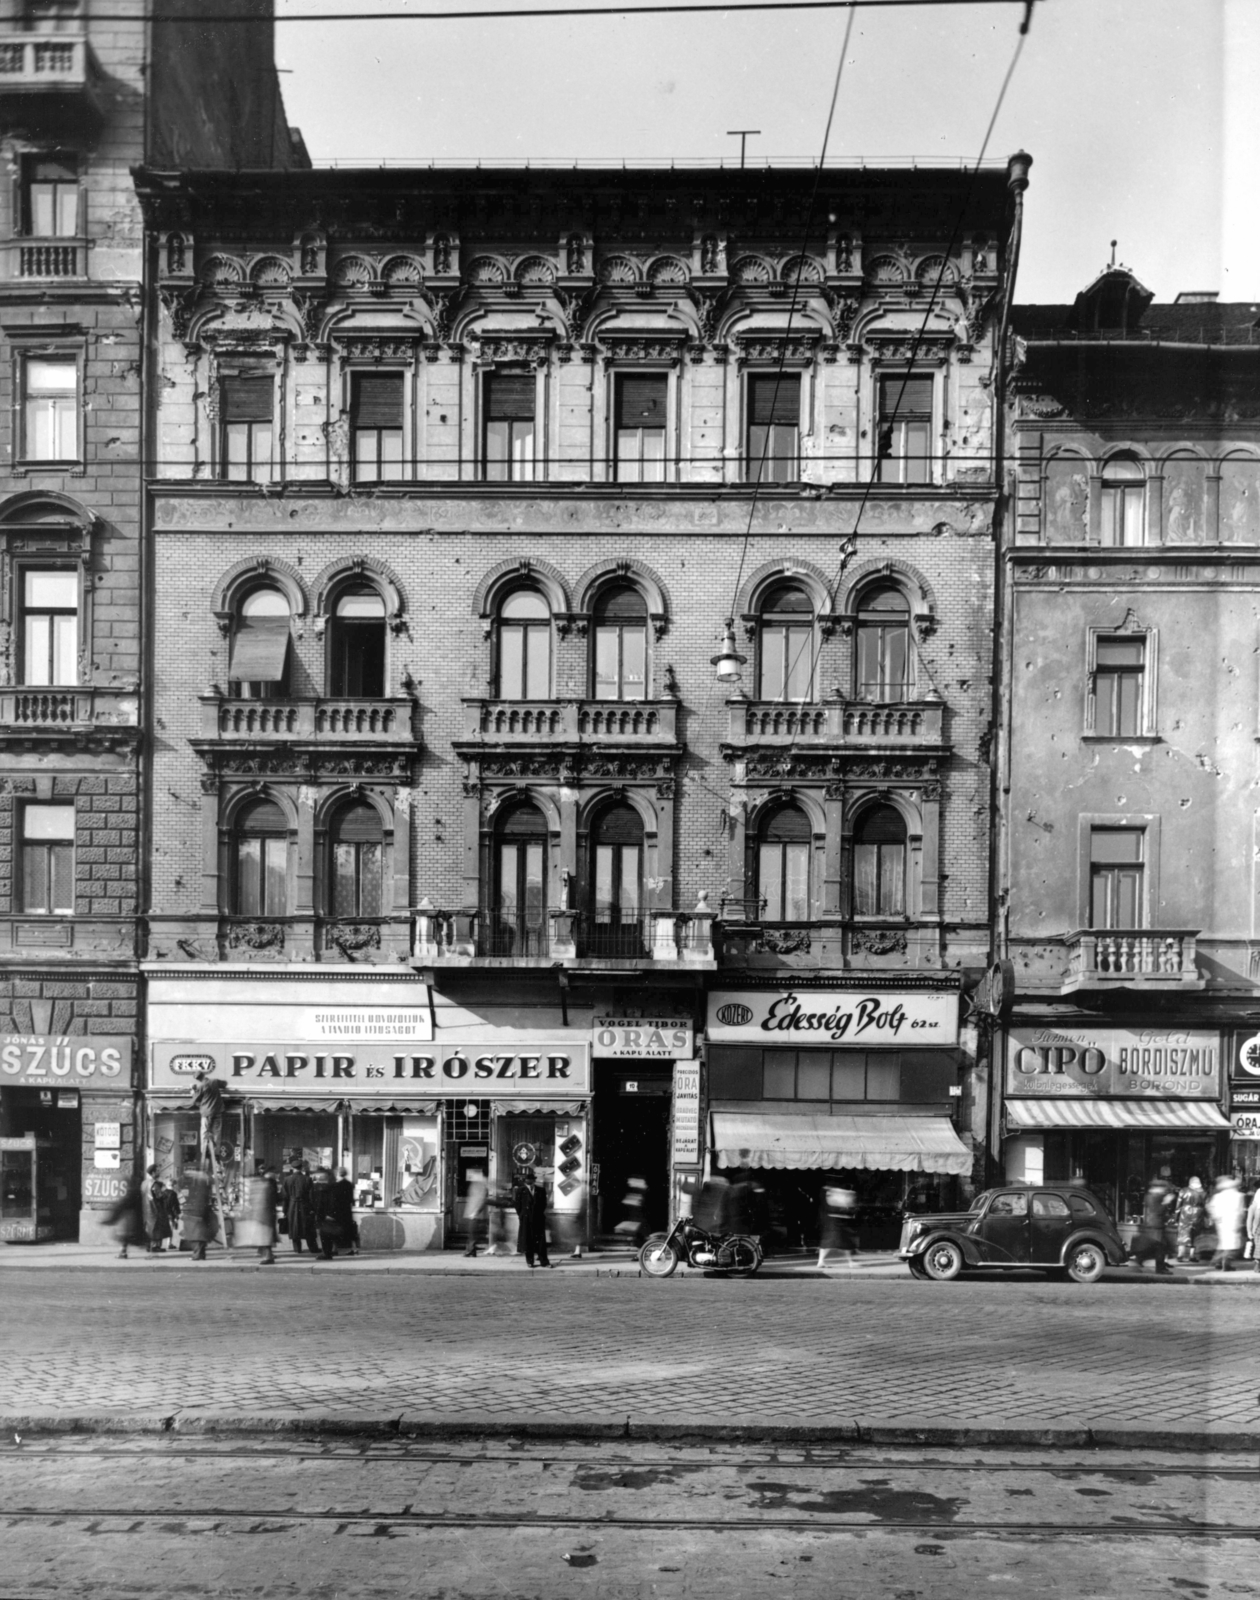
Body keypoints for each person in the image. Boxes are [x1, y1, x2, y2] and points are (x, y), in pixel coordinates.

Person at [1130, 1168, 1176, 1274]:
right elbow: (1158, 1211)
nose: (1165, 1190)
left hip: (1153, 1224)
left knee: (1154, 1246)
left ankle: (1140, 1260)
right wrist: (1166, 1202)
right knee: (1160, 1246)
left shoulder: (1151, 1195)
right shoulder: (1155, 1197)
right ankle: (1159, 1268)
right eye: (1163, 1188)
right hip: (1156, 1225)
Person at [236, 1162, 278, 1265]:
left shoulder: (265, 1184)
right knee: (264, 1237)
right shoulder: (268, 1183)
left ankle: (268, 1257)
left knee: (264, 1237)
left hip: (263, 1215)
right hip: (265, 1215)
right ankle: (266, 1254)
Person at [513, 1169, 552, 1268]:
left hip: (538, 1218)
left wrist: (538, 1213)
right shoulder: (520, 1191)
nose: (529, 1181)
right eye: (527, 1180)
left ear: (534, 1180)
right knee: (528, 1241)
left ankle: (544, 1262)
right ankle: (530, 1262)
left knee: (540, 1241)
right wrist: (522, 1215)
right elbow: (517, 1205)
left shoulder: (540, 1190)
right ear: (525, 1181)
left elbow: (544, 1204)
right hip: (526, 1219)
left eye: (531, 1180)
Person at [817, 1184, 859, 1271]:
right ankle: (850, 1262)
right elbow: (847, 1205)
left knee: (835, 1241)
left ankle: (850, 1261)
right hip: (836, 1220)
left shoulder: (833, 1192)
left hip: (837, 1219)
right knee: (833, 1240)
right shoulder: (836, 1193)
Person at [1207, 1175, 1244, 1272]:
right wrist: (1240, 1222)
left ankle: (1218, 1262)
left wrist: (1216, 1217)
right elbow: (1240, 1211)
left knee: (1223, 1242)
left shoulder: (1217, 1196)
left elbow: (1210, 1207)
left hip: (1221, 1222)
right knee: (1232, 1244)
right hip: (1233, 1221)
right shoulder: (1239, 1196)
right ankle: (1224, 1263)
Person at [107, 1172, 146, 1260]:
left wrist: (112, 1218)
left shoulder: (132, 1192)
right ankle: (123, 1252)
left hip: (128, 1219)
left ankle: (123, 1252)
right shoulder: (137, 1191)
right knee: (125, 1238)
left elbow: (123, 1204)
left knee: (124, 1237)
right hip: (133, 1218)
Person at [182, 1165, 217, 1262]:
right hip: (199, 1212)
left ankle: (198, 1255)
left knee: (197, 1236)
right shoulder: (202, 1180)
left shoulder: (200, 1181)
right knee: (198, 1236)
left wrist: (197, 1212)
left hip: (197, 1213)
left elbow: (199, 1198)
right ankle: (200, 1254)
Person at [283, 1161, 317, 1254]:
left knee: (294, 1228)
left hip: (292, 1206)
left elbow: (285, 1197)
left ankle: (297, 1249)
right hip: (304, 1206)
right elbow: (311, 1196)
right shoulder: (307, 1179)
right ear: (301, 1168)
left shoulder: (287, 1179)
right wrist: (312, 1209)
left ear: (292, 1168)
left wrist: (285, 1210)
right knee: (308, 1227)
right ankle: (313, 1248)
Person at [1174, 1177, 1207, 1262]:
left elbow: (1178, 1204)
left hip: (1185, 1213)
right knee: (1195, 1235)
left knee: (1183, 1234)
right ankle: (1192, 1256)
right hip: (1198, 1214)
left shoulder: (1183, 1191)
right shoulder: (1203, 1192)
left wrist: (1175, 1217)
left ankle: (1180, 1255)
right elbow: (1205, 1205)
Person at [149, 1178, 181, 1254]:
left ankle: (158, 1245)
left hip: (163, 1213)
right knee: (171, 1228)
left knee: (163, 1229)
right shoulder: (173, 1193)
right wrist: (177, 1215)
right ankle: (169, 1244)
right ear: (173, 1185)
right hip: (170, 1213)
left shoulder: (163, 1192)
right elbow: (174, 1206)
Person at [462, 1167, 488, 1258]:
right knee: (472, 1233)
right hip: (473, 1212)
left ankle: (471, 1251)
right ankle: (470, 1251)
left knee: (472, 1233)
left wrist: (475, 1212)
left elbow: (481, 1199)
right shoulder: (477, 1183)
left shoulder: (481, 1183)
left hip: (475, 1213)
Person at [140, 1163, 159, 1249]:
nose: (160, 1172)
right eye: (158, 1170)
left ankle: (147, 1245)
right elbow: (160, 1197)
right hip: (154, 1208)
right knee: (155, 1228)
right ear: (153, 1173)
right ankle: (154, 1246)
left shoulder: (144, 1183)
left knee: (147, 1228)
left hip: (145, 1209)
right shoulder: (155, 1184)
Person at [1246, 1185, 1260, 1274]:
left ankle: (1257, 1265)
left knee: (1258, 1247)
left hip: (1257, 1231)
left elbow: (1249, 1220)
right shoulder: (1256, 1207)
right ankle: (1257, 1265)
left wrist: (1249, 1231)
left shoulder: (1252, 1207)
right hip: (1258, 1230)